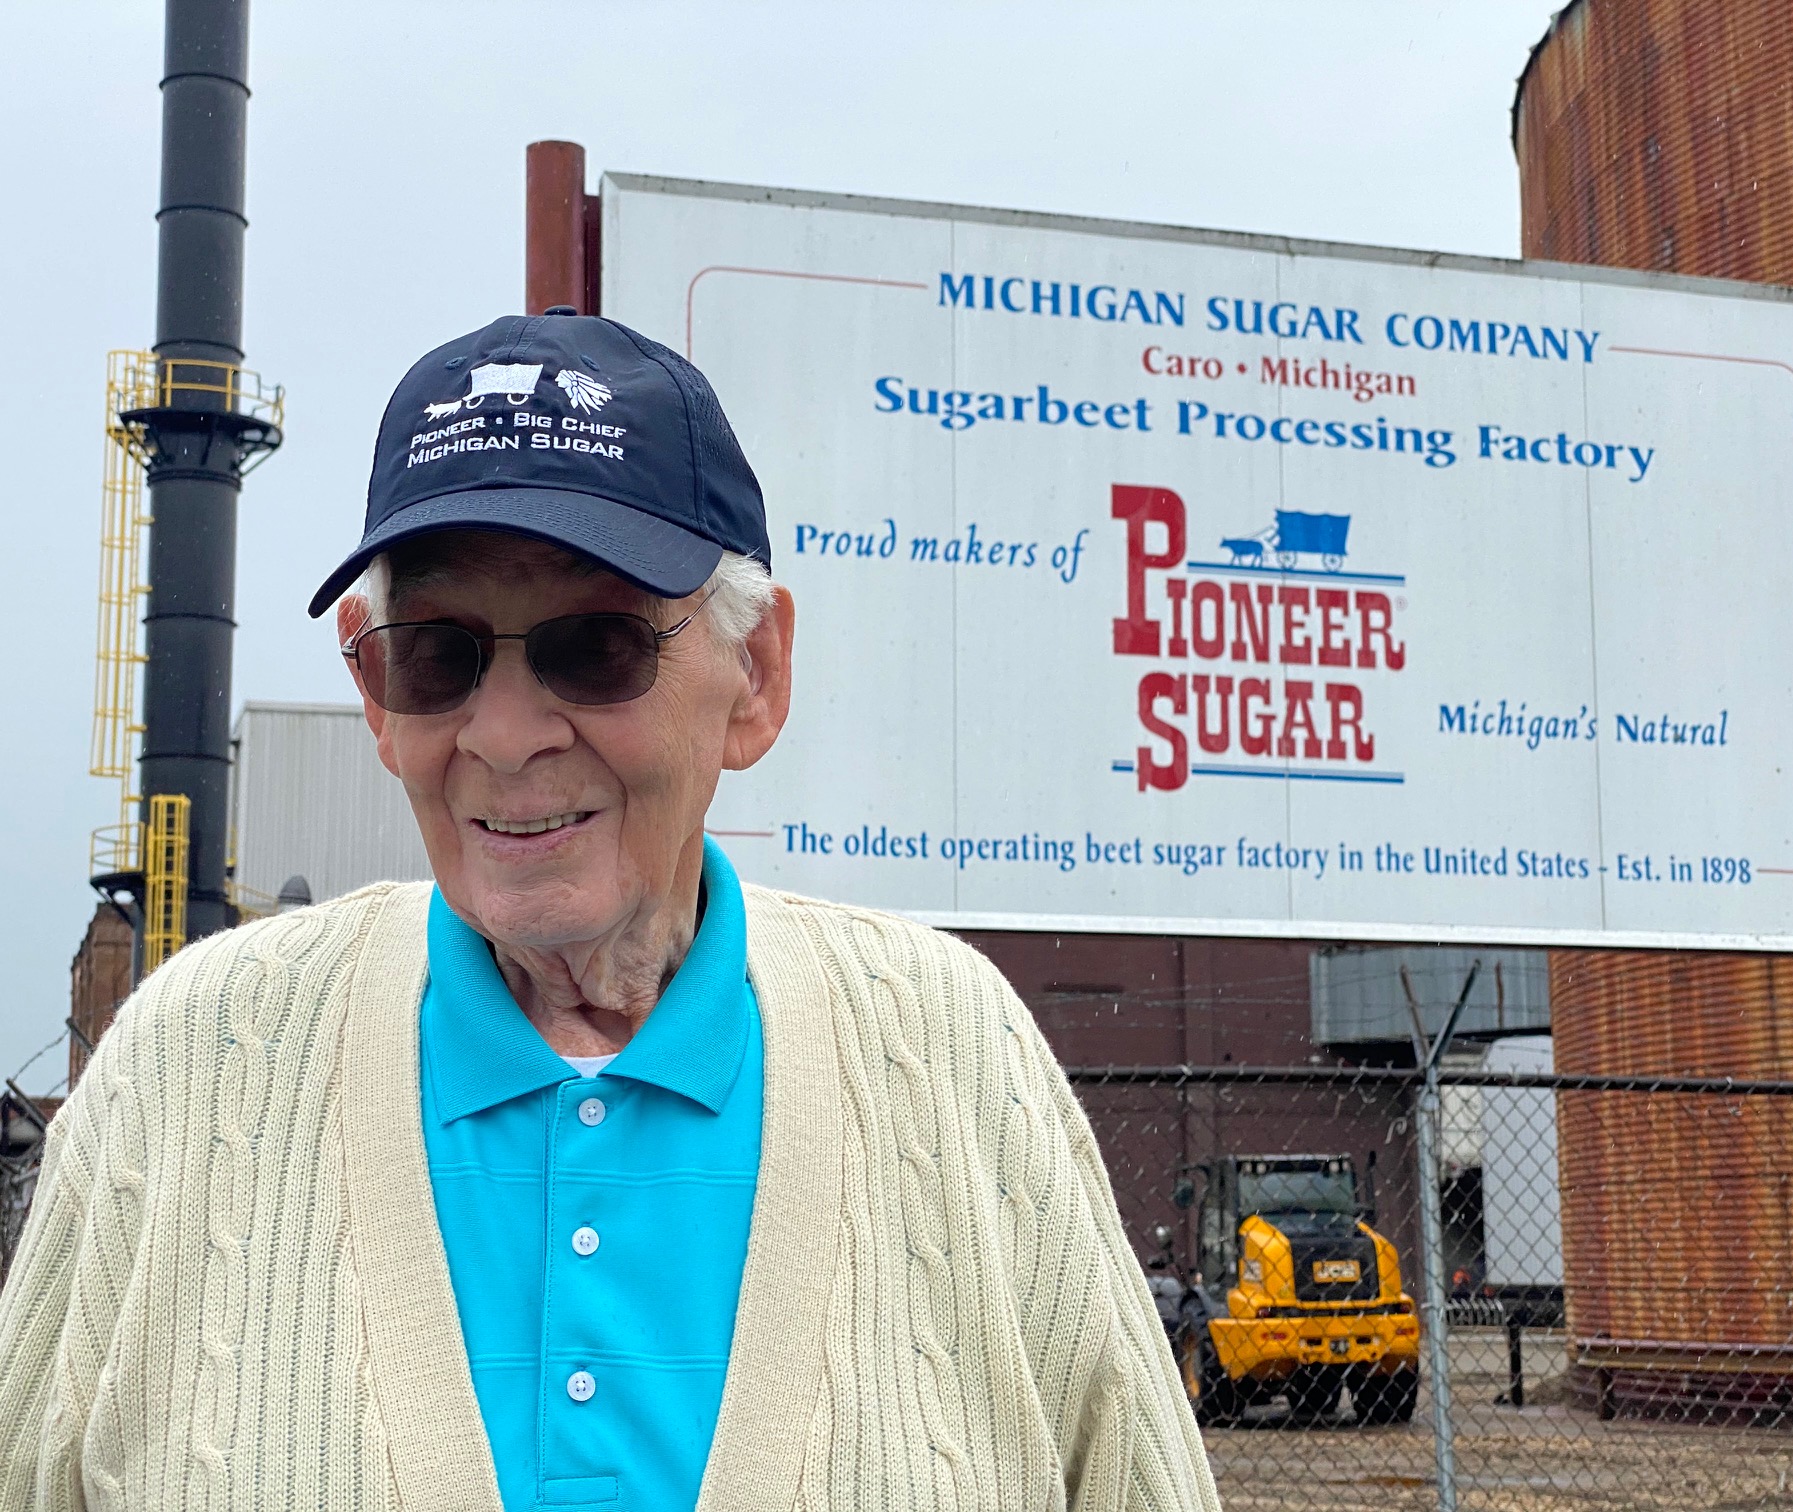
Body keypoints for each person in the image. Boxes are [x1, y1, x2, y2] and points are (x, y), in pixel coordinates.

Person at [0, 310, 1217, 1511]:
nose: (507, 735)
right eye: (437, 653)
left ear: (756, 677)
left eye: (596, 646)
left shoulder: (952, 1052)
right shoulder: (187, 1072)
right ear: (375, 691)